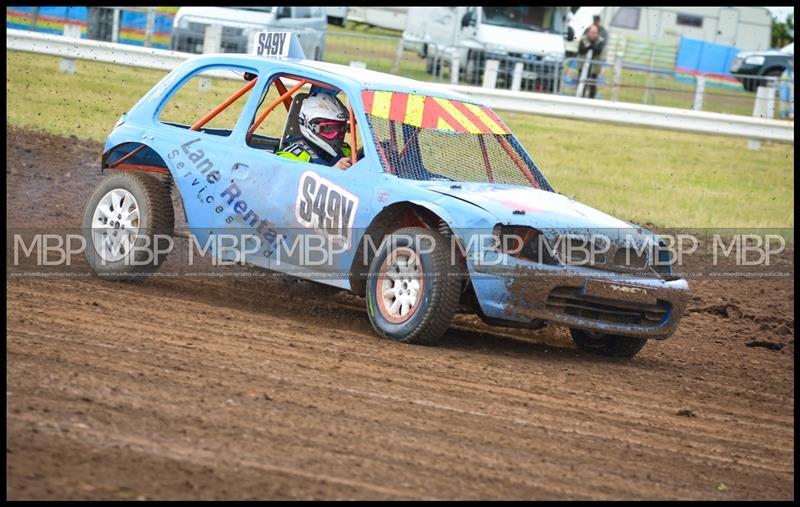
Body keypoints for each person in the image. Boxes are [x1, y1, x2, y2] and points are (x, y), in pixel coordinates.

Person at [276, 92, 353, 169]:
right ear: (309, 126)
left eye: (341, 128)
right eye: (329, 128)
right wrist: (332, 172)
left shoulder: (345, 149)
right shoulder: (290, 157)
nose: (338, 134)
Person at [577, 24, 606, 99]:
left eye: (595, 32)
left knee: (592, 83)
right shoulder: (583, 39)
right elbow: (581, 50)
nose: (593, 34)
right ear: (588, 32)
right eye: (592, 32)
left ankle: (591, 98)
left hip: (594, 66)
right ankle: (580, 96)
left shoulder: (601, 41)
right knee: (582, 81)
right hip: (583, 65)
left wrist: (590, 46)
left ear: (597, 33)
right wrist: (591, 47)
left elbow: (598, 51)